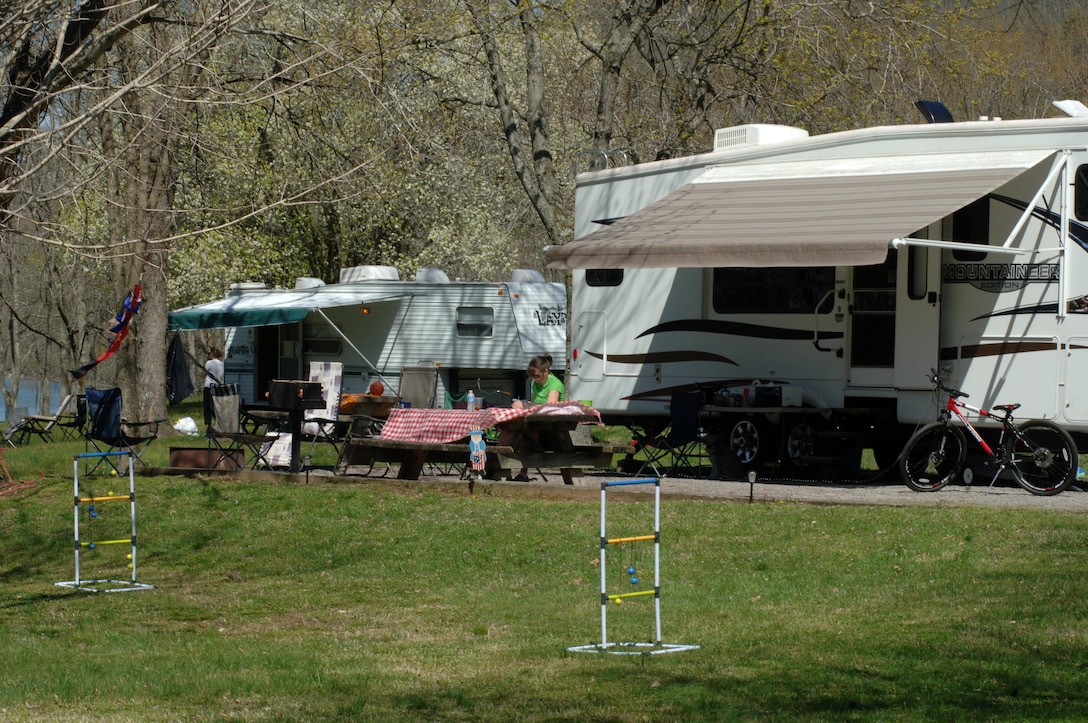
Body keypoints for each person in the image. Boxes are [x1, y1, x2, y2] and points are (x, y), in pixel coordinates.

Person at [507, 355, 565, 480]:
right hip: (538, 425)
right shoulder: (535, 383)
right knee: (513, 431)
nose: (534, 378)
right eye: (531, 375)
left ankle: (506, 468)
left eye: (537, 376)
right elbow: (535, 404)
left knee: (520, 435)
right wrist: (525, 405)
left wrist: (525, 405)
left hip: (552, 430)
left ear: (546, 371)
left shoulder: (555, 384)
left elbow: (549, 407)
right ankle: (504, 469)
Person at [202, 348, 225, 433]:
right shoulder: (222, 364)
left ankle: (207, 429)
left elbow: (203, 375)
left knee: (207, 408)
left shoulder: (209, 363)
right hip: (217, 388)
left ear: (212, 354)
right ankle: (218, 427)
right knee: (216, 408)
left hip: (208, 387)